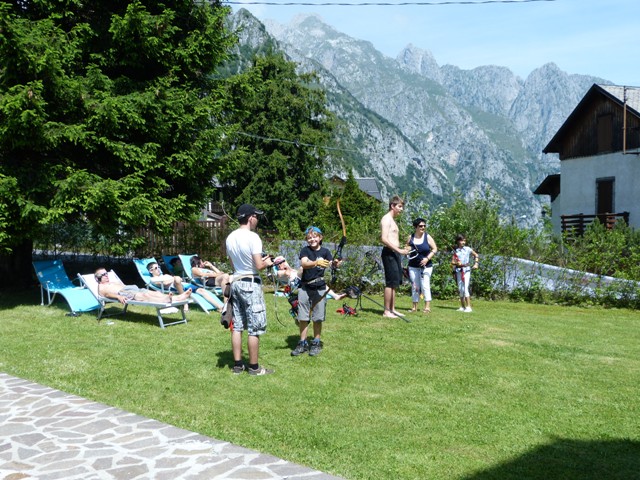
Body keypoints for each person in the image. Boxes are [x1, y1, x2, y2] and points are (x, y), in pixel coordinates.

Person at [225, 204, 275, 375]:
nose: (257, 219)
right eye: (256, 216)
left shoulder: (230, 237)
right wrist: (268, 262)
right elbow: (259, 265)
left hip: (236, 281)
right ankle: (254, 368)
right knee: (255, 327)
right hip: (250, 283)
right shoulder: (253, 237)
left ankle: (238, 365)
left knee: (237, 326)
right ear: (250, 217)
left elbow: (232, 264)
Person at [291, 226, 343, 357]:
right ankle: (302, 343)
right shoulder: (305, 250)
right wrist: (316, 262)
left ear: (320, 238)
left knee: (318, 318)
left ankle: (316, 342)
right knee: (303, 317)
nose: (312, 239)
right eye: (309, 238)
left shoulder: (325, 251)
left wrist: (336, 263)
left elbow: (330, 263)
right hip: (305, 288)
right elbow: (304, 264)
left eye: (315, 237)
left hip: (320, 288)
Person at [380, 195, 411, 318]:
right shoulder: (386, 219)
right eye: (399, 206)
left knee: (395, 282)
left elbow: (393, 238)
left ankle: (392, 309)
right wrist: (399, 250)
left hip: (395, 253)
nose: (401, 209)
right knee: (390, 282)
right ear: (392, 206)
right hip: (389, 253)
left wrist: (403, 248)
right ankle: (386, 311)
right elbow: (384, 239)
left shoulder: (392, 220)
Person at [147, 261, 223, 311]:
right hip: (175, 286)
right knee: (177, 279)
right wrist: (174, 278)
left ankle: (219, 307)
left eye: (159, 267)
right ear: (151, 271)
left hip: (184, 284)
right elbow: (164, 283)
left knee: (202, 291)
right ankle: (185, 304)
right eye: (156, 268)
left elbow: (177, 279)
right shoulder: (153, 279)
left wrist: (175, 279)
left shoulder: (166, 275)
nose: (158, 269)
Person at [95, 268, 192, 304]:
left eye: (106, 273)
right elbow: (106, 294)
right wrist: (118, 296)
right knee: (145, 296)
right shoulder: (101, 287)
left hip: (130, 288)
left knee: (155, 293)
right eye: (103, 274)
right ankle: (165, 300)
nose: (106, 275)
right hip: (123, 293)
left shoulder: (113, 282)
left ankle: (179, 297)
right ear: (98, 278)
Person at [273, 255, 346, 301]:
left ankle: (336, 296)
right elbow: (287, 274)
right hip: (296, 282)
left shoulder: (289, 269)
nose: (282, 264)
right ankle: (331, 264)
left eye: (283, 262)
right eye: (279, 263)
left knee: (318, 280)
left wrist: (288, 267)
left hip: (301, 279)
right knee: (303, 266)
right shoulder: (279, 272)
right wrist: (287, 267)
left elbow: (292, 272)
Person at [406, 218, 438, 313]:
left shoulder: (427, 237)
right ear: (415, 227)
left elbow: (435, 249)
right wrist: (407, 249)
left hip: (426, 266)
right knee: (415, 286)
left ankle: (427, 307)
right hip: (413, 266)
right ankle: (414, 307)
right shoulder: (410, 237)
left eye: (424, 226)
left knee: (425, 285)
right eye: (420, 226)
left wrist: (427, 258)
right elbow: (406, 247)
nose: (423, 227)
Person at [451, 234, 479, 312]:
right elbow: (452, 261)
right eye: (462, 240)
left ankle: (469, 307)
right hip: (458, 271)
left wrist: (476, 263)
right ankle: (462, 306)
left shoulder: (468, 249)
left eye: (464, 240)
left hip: (466, 270)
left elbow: (476, 255)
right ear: (458, 241)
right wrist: (456, 263)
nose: (463, 242)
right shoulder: (455, 250)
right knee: (460, 289)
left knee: (465, 288)